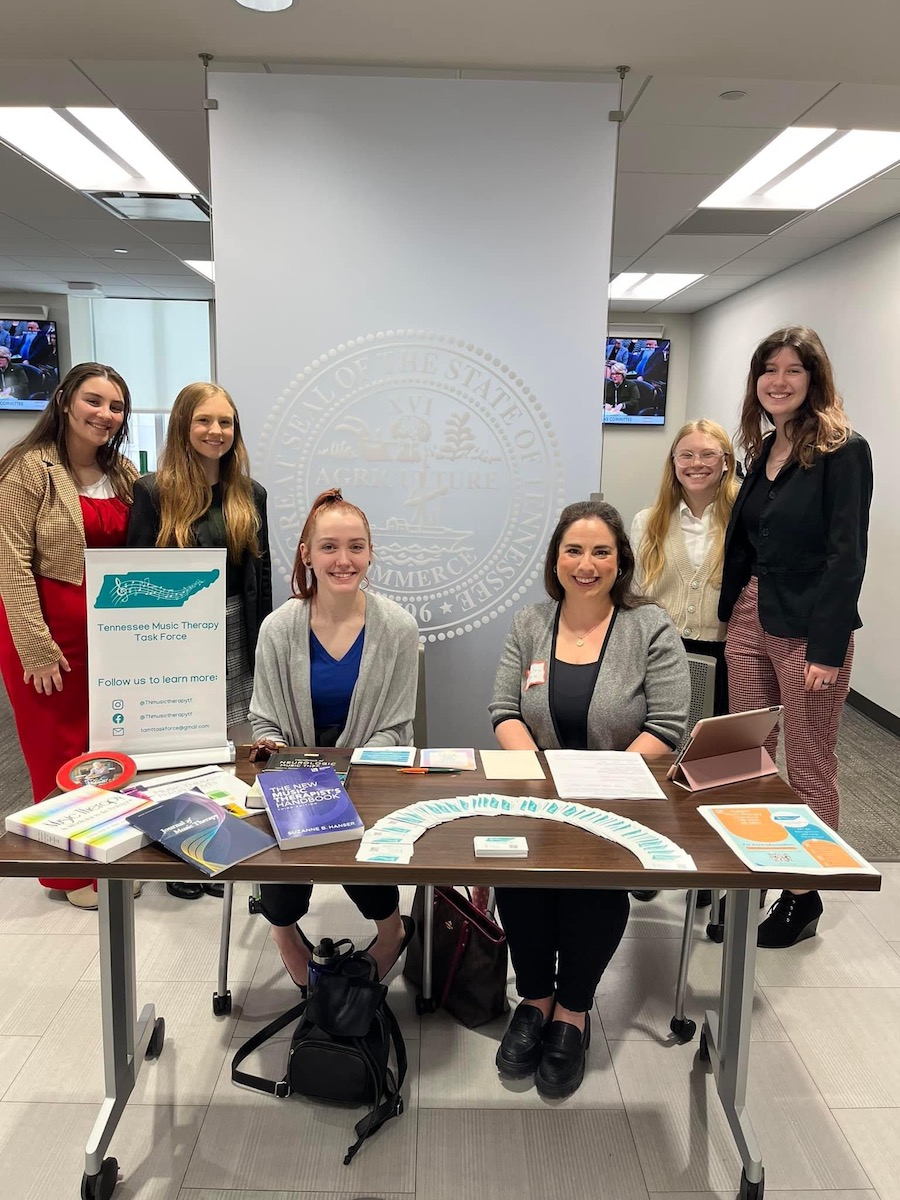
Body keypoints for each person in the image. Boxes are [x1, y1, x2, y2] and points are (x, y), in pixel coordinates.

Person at [488, 500, 689, 1099]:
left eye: (601, 551)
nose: (586, 563)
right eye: (573, 550)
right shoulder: (531, 624)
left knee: (588, 885)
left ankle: (573, 1009)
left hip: (620, 796)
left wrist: (595, 785)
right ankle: (535, 997)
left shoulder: (649, 627)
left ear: (619, 560)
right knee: (519, 874)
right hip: (537, 788)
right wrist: (546, 776)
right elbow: (503, 711)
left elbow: (670, 726)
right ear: (556, 559)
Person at [720, 326, 873, 949]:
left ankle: (801, 893)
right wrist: (733, 613)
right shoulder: (763, 449)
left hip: (809, 626)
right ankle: (748, 867)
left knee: (808, 760)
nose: (778, 381)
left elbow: (847, 556)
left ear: (815, 379)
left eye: (793, 370)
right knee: (742, 756)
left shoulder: (844, 449)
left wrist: (827, 649)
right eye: (768, 370)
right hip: (751, 615)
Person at [249, 488, 419, 989]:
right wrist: (283, 758)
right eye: (328, 547)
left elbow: (397, 724)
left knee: (363, 847)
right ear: (306, 553)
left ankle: (391, 931)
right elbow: (265, 721)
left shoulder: (399, 629)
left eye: (355, 546)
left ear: (370, 552)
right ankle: (284, 935)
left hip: (369, 769)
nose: (343, 560)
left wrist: (347, 774)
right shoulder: (278, 629)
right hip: (295, 774)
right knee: (282, 849)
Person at [0, 362, 141, 909]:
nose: (105, 415)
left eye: (116, 406)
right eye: (94, 401)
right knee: (55, 750)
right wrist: (34, 645)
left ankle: (106, 853)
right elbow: (9, 564)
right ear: (63, 401)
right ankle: (67, 873)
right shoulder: (28, 469)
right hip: (48, 635)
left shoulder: (123, 473)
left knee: (105, 749)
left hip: (108, 636)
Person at [127, 381, 272, 900]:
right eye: (204, 421)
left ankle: (221, 844)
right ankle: (178, 855)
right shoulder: (152, 491)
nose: (216, 431)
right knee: (183, 746)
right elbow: (136, 580)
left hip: (236, 630)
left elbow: (263, 574)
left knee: (231, 747)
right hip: (178, 637)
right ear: (183, 426)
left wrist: (264, 643)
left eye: (225, 422)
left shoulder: (250, 493)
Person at [631, 419, 739, 717]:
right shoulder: (648, 522)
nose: (696, 463)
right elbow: (636, 596)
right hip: (662, 653)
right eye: (686, 455)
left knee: (712, 751)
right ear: (674, 462)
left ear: (726, 461)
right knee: (660, 745)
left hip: (726, 656)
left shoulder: (743, 519)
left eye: (708, 454)